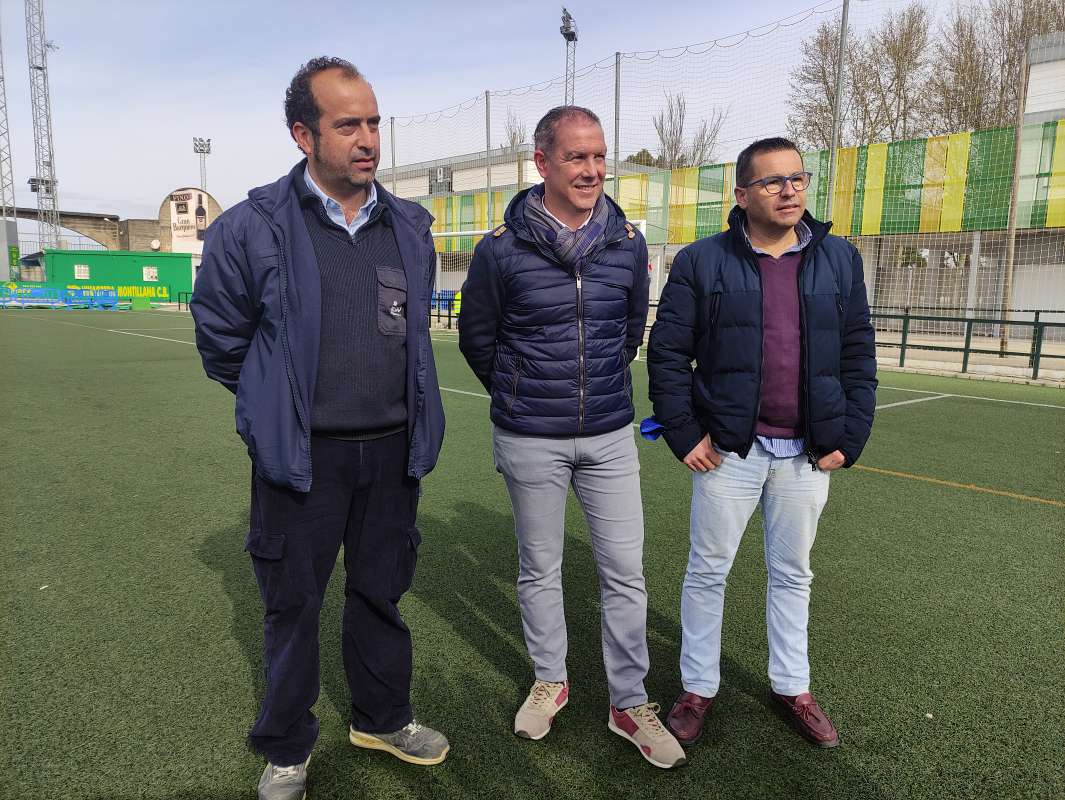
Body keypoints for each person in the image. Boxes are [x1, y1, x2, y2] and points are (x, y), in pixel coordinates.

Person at [190, 57, 448, 800]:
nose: (367, 139)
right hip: (303, 458)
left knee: (379, 592)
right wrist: (276, 400)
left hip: (392, 451)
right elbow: (223, 338)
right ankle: (287, 748)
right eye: (348, 125)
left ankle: (381, 717)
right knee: (292, 606)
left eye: (372, 122)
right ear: (304, 134)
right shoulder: (251, 227)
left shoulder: (408, 225)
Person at [458, 105, 686, 769]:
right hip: (531, 436)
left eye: (597, 156)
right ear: (543, 164)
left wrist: (600, 391)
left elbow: (629, 327)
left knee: (624, 571)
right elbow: (479, 337)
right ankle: (550, 682)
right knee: (540, 567)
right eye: (574, 157)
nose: (589, 170)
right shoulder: (501, 250)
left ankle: (628, 703)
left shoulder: (627, 243)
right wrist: (520, 390)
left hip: (610, 433)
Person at [646, 136, 876, 749]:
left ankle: (791, 686)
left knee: (793, 574)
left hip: (806, 452)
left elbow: (858, 353)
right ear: (743, 194)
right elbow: (668, 354)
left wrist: (849, 438)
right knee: (707, 572)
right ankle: (698, 688)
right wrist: (684, 431)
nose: (790, 189)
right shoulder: (700, 261)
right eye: (773, 181)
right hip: (729, 451)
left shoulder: (839, 260)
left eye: (798, 177)